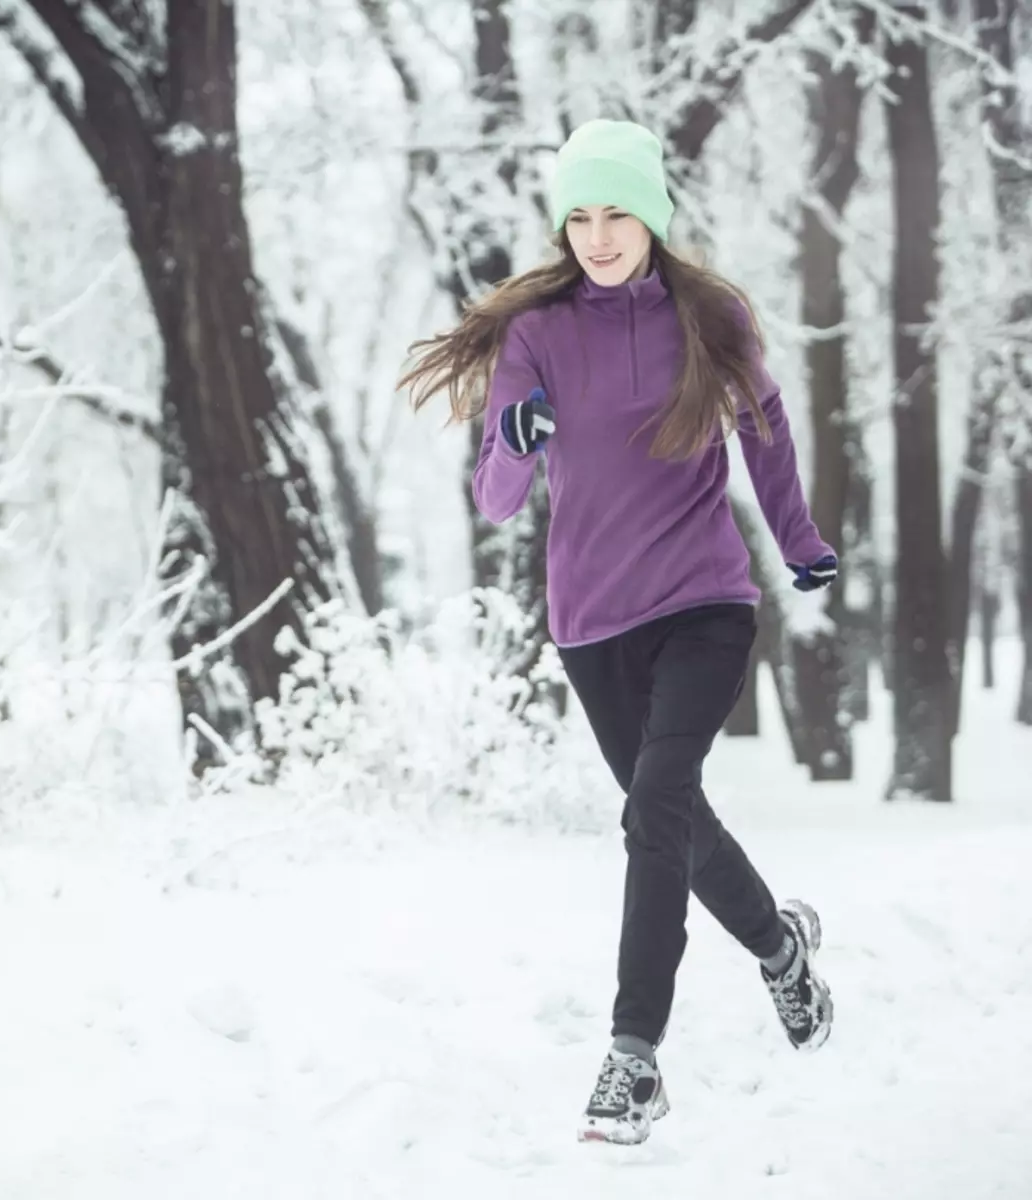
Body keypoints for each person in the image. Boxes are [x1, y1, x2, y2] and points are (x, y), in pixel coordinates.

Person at [397, 118, 836, 1146]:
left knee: (655, 807)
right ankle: (781, 949)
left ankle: (632, 1058)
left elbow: (764, 432)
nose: (598, 236)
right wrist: (511, 439)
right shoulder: (536, 336)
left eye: (617, 213)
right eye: (580, 216)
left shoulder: (710, 317)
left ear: (653, 215)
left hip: (705, 603)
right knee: (673, 820)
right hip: (592, 623)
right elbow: (499, 499)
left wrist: (800, 538)